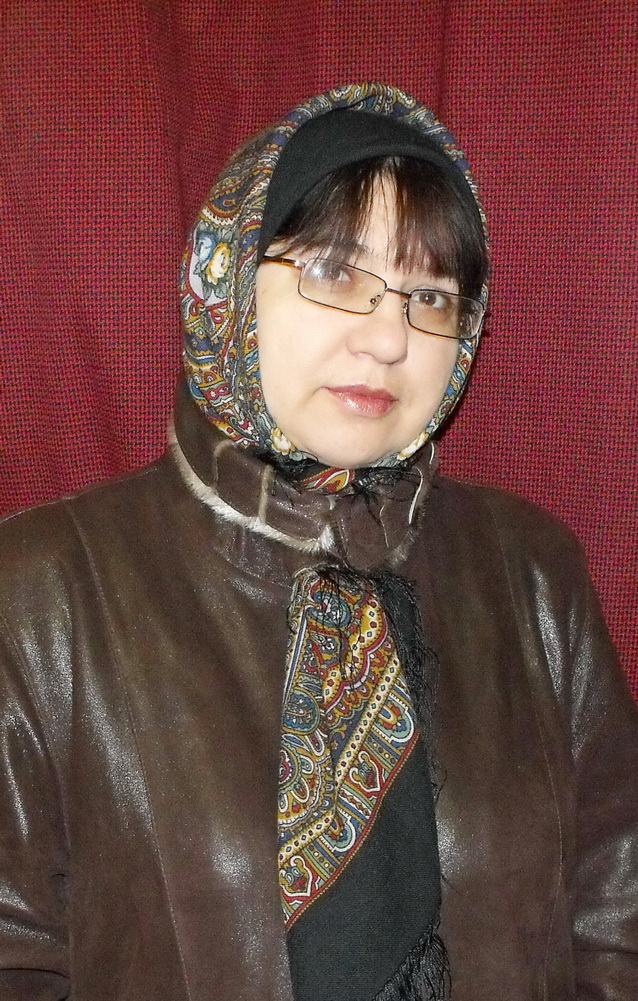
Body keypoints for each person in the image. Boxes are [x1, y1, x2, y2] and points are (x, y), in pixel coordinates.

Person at [0, 81, 636, 1001]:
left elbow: (616, 922)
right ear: (228, 282)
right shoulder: (43, 591)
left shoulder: (534, 573)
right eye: (336, 274)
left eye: (430, 295)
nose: (388, 339)